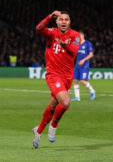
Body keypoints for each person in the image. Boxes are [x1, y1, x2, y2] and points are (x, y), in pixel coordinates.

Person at [32, 10, 81, 149]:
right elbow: (38, 28)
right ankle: (53, 126)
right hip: (53, 75)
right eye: (61, 19)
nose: (64, 21)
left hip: (67, 77)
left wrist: (66, 45)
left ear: (70, 22)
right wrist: (48, 16)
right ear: (57, 22)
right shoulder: (51, 33)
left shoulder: (75, 35)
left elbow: (75, 52)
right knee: (65, 102)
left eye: (66, 19)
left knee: (53, 105)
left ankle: (38, 131)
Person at [71, 31, 95, 101]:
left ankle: (92, 91)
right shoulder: (77, 44)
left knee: (82, 81)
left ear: (83, 36)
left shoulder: (88, 43)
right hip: (77, 65)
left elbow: (91, 54)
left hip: (84, 65)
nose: (78, 37)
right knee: (75, 80)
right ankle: (77, 97)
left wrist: (83, 60)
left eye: (79, 35)